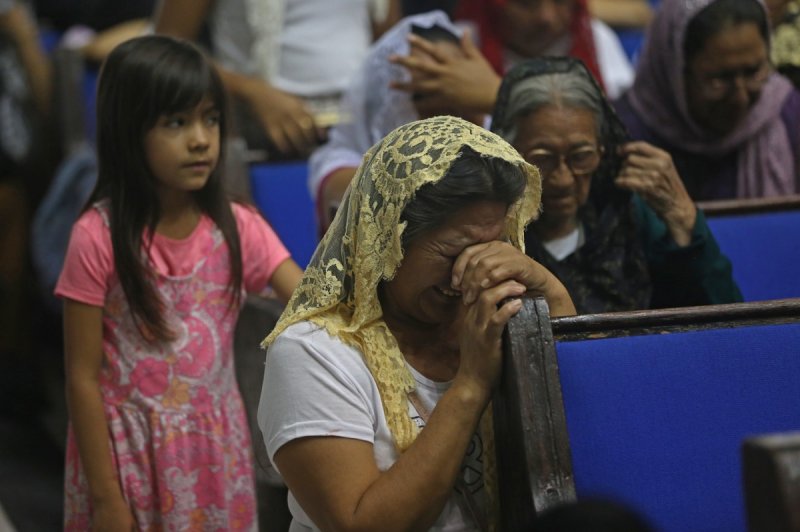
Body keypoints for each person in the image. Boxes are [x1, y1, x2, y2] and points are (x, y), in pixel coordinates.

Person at [257, 115, 576, 531]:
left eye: (490, 248)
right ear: (387, 242)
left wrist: (551, 291)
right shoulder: (313, 351)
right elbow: (363, 525)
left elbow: (581, 428)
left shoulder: (492, 315)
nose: (469, 273)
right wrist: (471, 384)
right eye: (452, 253)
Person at [55, 35, 303, 530]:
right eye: (176, 122)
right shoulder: (96, 237)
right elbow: (82, 378)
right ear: (129, 131)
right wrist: (106, 499)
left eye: (210, 119)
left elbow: (311, 300)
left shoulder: (236, 226)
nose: (200, 139)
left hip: (215, 454)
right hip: (127, 459)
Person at [491, 57, 742, 313]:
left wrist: (685, 218)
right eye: (542, 159)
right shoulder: (491, 232)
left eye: (581, 157)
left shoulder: (627, 218)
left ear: (603, 151)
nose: (564, 179)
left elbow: (729, 322)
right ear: (509, 154)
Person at [308, 10, 486, 233]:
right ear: (387, 103)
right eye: (428, 94)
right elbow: (420, 198)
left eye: (462, 91)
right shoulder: (339, 168)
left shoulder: (496, 136)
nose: (449, 113)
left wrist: (494, 98)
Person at [154, 0, 402, 158]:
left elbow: (389, 39)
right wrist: (251, 90)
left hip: (361, 130)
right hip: (258, 138)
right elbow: (165, 48)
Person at [615, 0, 800, 200]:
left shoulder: (786, 115)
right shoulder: (622, 138)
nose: (741, 98)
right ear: (674, 73)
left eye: (753, 73)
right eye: (719, 80)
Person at [388, 0, 634, 122]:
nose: (546, 17)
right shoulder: (457, 45)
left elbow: (611, 129)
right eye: (526, 2)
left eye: (560, 0)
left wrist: (500, 97)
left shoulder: (597, 38)